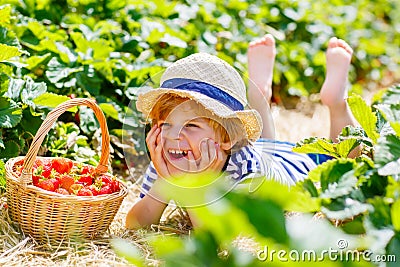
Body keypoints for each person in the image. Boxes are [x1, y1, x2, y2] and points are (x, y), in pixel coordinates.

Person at [125, 35, 357, 230]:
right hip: (261, 150)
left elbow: (214, 237)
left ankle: (336, 102)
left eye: (191, 126)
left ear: (227, 139)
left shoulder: (247, 174)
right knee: (266, 143)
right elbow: (135, 225)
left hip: (295, 167)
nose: (173, 136)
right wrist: (164, 183)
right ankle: (259, 94)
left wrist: (196, 186)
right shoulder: (169, 159)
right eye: (165, 125)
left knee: (344, 160)